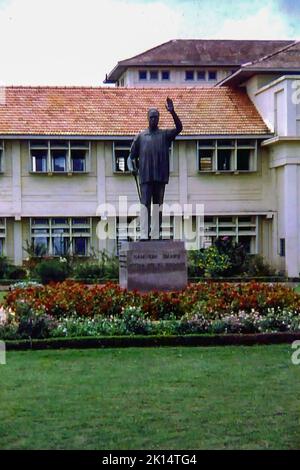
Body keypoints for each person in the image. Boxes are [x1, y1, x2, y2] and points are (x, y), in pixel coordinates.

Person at [129, 97, 183, 240]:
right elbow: (131, 156)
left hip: (159, 176)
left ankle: (155, 235)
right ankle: (144, 235)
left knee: (157, 206)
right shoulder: (140, 136)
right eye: (151, 117)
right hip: (145, 177)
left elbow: (179, 128)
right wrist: (131, 168)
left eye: (156, 117)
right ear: (148, 118)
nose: (154, 119)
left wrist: (172, 112)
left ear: (158, 119)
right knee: (145, 206)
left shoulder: (164, 135)